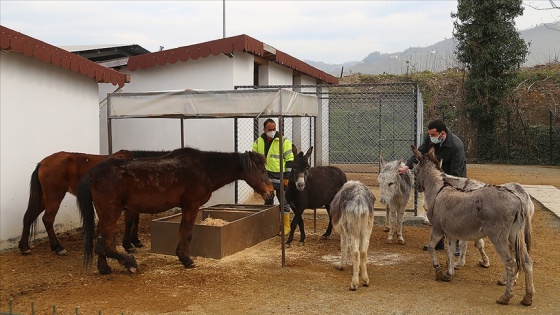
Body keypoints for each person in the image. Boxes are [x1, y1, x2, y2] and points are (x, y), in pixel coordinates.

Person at [398, 119, 467, 256]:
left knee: (454, 209)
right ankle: (439, 241)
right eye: (429, 134)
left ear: (442, 133)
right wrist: (407, 166)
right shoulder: (431, 138)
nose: (430, 137)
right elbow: (420, 152)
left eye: (433, 134)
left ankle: (457, 244)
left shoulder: (456, 146)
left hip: (454, 175)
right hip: (438, 173)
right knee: (435, 209)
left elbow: (456, 173)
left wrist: (446, 189)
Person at [252, 118, 294, 236]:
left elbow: (290, 159)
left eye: (274, 129)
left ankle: (286, 227)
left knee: (284, 202)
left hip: (280, 177)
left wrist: (287, 177)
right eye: (269, 129)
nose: (272, 131)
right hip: (266, 178)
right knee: (268, 201)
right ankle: (268, 225)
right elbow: (253, 159)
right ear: (264, 129)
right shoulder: (258, 142)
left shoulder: (284, 141)